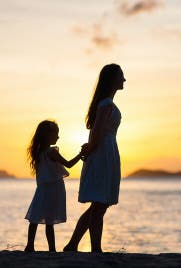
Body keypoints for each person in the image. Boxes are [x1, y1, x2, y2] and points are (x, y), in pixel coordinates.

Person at [64, 64, 125, 253]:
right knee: (99, 204)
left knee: (99, 205)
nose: (124, 80)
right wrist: (90, 150)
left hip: (107, 151)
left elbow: (97, 132)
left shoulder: (106, 103)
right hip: (103, 153)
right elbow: (97, 132)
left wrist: (91, 148)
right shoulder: (106, 104)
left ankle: (73, 245)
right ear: (112, 79)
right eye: (121, 76)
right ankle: (95, 249)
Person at [24, 120, 85, 252]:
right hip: (52, 189)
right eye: (56, 133)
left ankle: (30, 246)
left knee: (35, 217)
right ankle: (51, 249)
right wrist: (81, 155)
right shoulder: (51, 152)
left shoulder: (38, 152)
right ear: (47, 135)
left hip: (42, 189)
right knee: (49, 221)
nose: (58, 137)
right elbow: (68, 164)